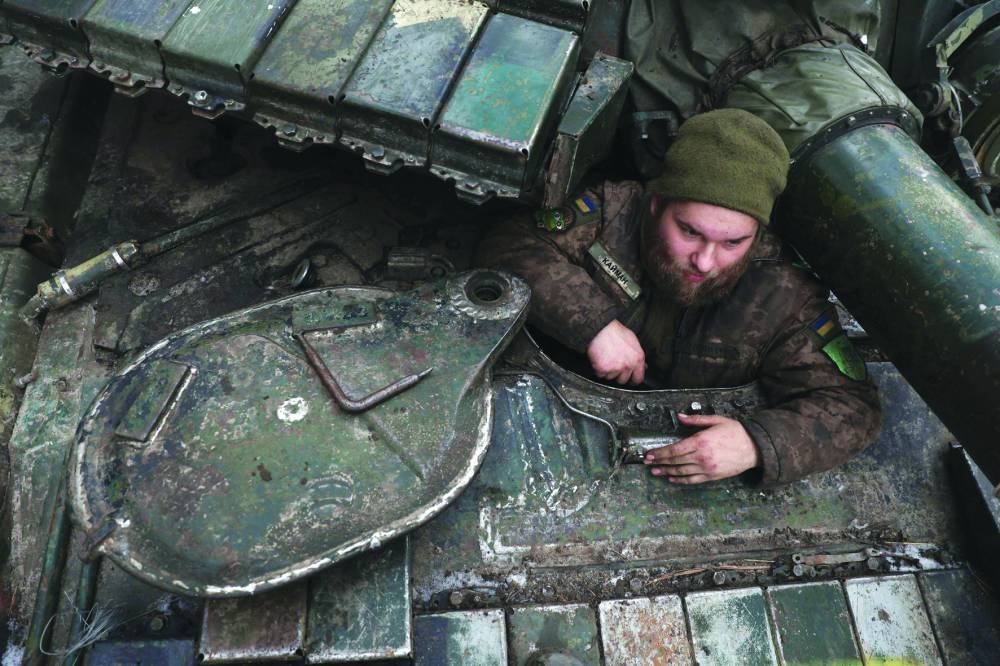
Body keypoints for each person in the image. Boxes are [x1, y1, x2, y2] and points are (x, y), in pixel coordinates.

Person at [476, 108, 881, 487]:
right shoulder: (613, 211)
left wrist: (757, 443)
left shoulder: (782, 293)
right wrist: (592, 323)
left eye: (733, 242)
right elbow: (511, 245)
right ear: (656, 204)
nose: (705, 262)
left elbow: (852, 408)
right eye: (690, 231)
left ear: (758, 234)